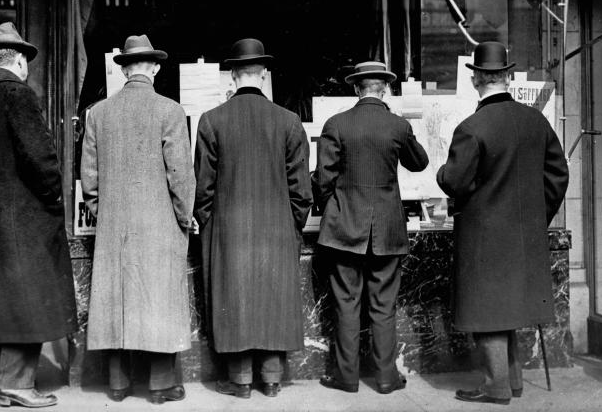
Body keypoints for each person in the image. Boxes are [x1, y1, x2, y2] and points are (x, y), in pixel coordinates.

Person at [436, 41, 568, 406]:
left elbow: (456, 181)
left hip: (483, 235)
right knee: (507, 307)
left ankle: (495, 388)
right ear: (508, 77)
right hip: (524, 235)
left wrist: (441, 173)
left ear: (476, 79)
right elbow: (557, 175)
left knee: (487, 309)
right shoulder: (535, 121)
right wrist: (538, 218)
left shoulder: (471, 128)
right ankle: (513, 381)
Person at [0, 22, 77, 408]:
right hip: (24, 213)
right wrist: (52, 198)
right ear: (20, 60)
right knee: (28, 297)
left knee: (0, 297)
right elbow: (41, 159)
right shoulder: (18, 95)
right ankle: (17, 384)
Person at [193, 38, 312, 399]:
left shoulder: (211, 120)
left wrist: (210, 224)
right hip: (276, 228)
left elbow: (203, 189)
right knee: (273, 298)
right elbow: (302, 191)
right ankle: (273, 378)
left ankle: (240, 379)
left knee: (236, 300)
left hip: (229, 230)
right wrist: (292, 222)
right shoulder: (289, 122)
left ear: (232, 75)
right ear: (263, 75)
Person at [81, 35, 195, 405]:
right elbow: (180, 175)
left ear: (124, 70)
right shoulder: (170, 111)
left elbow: (90, 179)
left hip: (114, 224)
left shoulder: (98, 113)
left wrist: (105, 213)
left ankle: (117, 383)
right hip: (160, 223)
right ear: (155, 68)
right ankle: (161, 385)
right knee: (159, 299)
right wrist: (184, 217)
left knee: (117, 300)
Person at [312, 61, 429, 394]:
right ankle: (386, 377)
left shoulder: (337, 124)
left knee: (346, 304)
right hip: (388, 231)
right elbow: (418, 162)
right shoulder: (397, 125)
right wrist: (400, 126)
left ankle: (346, 378)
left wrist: (331, 204)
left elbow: (323, 180)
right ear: (385, 89)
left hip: (344, 230)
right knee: (383, 305)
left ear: (355, 88)